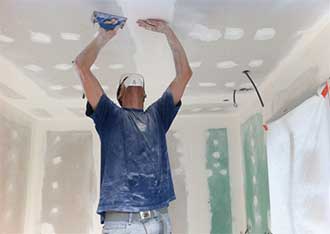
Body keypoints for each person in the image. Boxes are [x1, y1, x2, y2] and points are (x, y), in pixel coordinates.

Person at [74, 18, 192, 234]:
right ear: (119, 93)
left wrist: (168, 32)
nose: (135, 81)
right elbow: (81, 66)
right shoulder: (109, 115)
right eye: (126, 81)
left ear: (145, 94)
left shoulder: (158, 115)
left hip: (160, 217)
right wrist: (103, 36)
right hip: (122, 222)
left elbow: (184, 74)